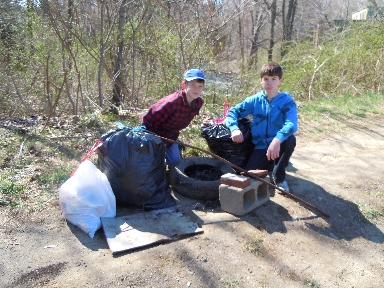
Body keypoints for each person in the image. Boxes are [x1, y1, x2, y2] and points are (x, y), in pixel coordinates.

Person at [225, 62, 298, 192]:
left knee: (290, 139)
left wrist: (277, 140)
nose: (269, 83)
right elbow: (233, 112)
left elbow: (292, 124)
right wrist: (234, 128)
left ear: (280, 80)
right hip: (260, 146)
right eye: (266, 79)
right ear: (261, 80)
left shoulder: (287, 101)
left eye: (273, 79)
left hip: (278, 144)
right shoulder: (255, 100)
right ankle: (270, 166)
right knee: (248, 175)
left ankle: (279, 178)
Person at [141, 69, 205, 166]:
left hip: (171, 136)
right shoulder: (172, 102)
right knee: (152, 167)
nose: (196, 89)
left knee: (177, 165)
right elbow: (147, 119)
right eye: (192, 85)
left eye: (200, 86)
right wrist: (155, 140)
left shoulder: (198, 103)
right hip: (154, 136)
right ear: (184, 85)